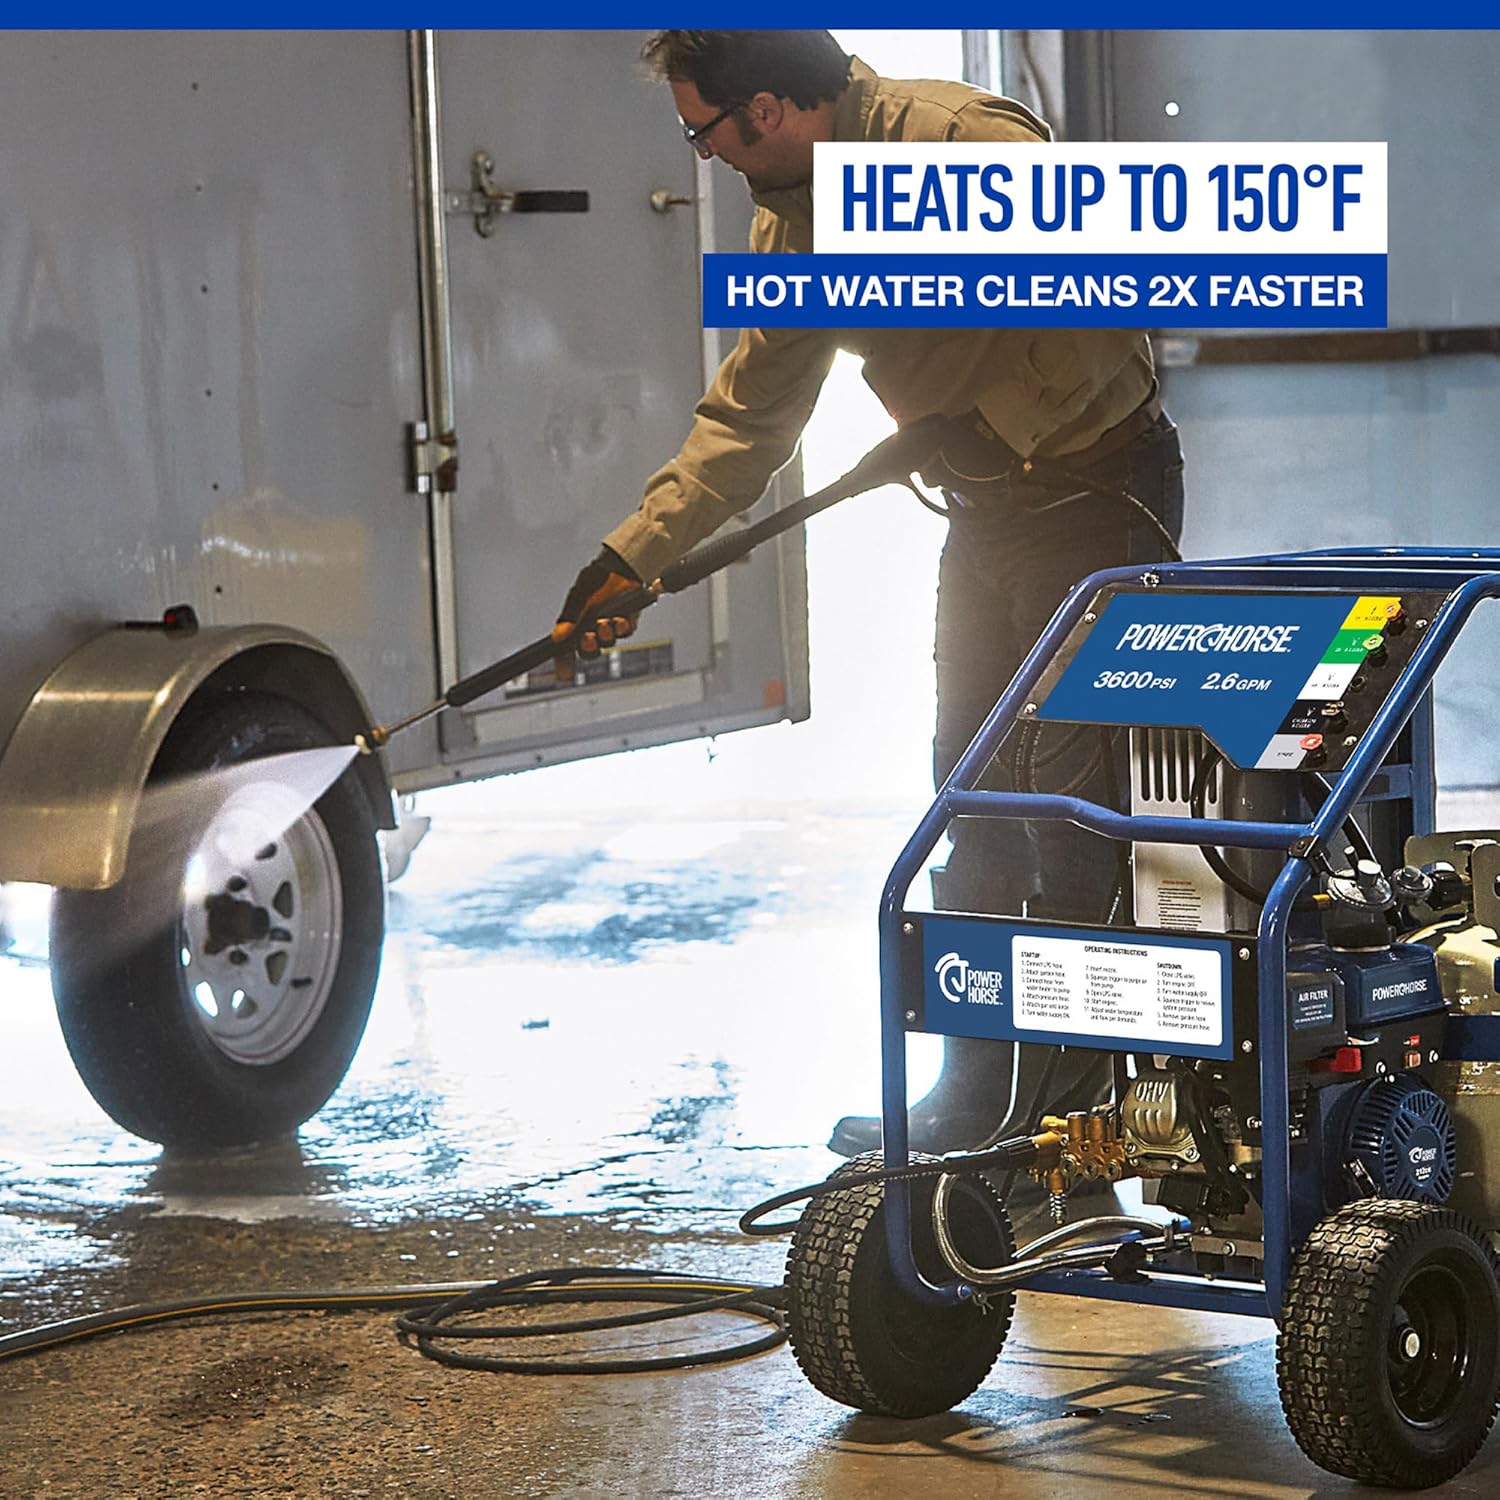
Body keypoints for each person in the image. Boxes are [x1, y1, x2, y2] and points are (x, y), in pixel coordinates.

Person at [555, 30, 1185, 1157]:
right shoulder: (791, 220)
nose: (704, 155)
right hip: (984, 512)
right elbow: (750, 418)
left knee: (1072, 806)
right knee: (971, 795)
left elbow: (1109, 303)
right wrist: (633, 557)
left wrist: (982, 413)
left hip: (1095, 497)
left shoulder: (964, 148)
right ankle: (975, 1096)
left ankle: (1071, 1124)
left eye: (702, 131)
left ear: (764, 109)